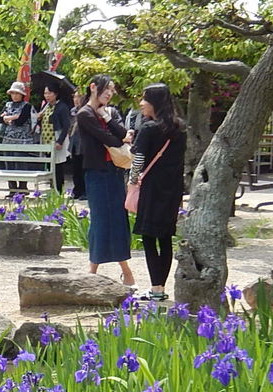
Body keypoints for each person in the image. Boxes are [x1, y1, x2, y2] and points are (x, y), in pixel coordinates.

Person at [76, 74, 136, 287]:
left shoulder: (112, 112)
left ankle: (126, 270)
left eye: (112, 90)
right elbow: (110, 138)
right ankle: (93, 269)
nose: (110, 93)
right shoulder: (84, 114)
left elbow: (121, 133)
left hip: (114, 170)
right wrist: (118, 135)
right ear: (93, 87)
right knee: (101, 219)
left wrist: (108, 118)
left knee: (119, 218)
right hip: (95, 171)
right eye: (106, 89)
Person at [131, 84, 187, 301]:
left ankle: (156, 289)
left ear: (154, 102)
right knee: (164, 237)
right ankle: (160, 288)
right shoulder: (180, 128)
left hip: (152, 188)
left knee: (148, 237)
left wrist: (132, 181)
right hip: (172, 189)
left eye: (145, 99)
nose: (141, 103)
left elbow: (138, 159)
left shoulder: (149, 128)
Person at [34, 84, 74, 193]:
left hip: (56, 139)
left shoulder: (62, 107)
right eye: (45, 93)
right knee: (49, 164)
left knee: (58, 166)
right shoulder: (45, 106)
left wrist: (60, 141)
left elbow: (66, 125)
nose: (47, 96)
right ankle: (52, 187)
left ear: (55, 94)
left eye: (49, 93)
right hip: (46, 140)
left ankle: (59, 189)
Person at [0, 80, 36, 190]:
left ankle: (23, 188)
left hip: (22, 140)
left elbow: (21, 121)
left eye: (17, 93)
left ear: (22, 94)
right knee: (8, 164)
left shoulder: (27, 106)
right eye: (13, 93)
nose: (14, 96)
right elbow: (0, 118)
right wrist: (13, 117)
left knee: (21, 163)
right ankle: (12, 189)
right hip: (7, 139)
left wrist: (8, 118)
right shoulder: (7, 105)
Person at [68, 89, 87, 199]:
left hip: (83, 144)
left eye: (79, 97)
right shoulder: (73, 111)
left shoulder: (86, 111)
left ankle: (85, 192)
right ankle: (77, 190)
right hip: (73, 143)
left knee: (83, 169)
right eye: (75, 97)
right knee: (75, 169)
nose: (76, 100)